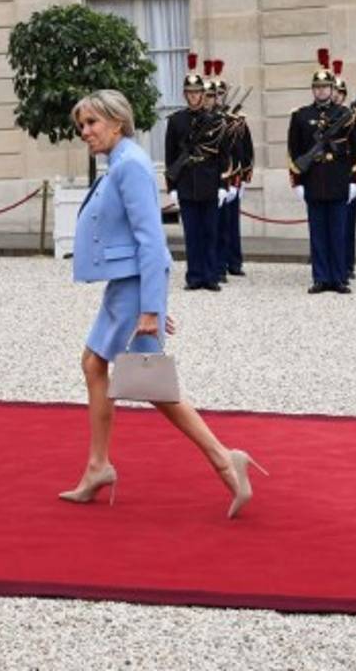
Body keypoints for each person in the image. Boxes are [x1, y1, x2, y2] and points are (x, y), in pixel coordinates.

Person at [61, 89, 266, 519]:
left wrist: (151, 306)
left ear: (118, 123)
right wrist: (149, 299)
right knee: (97, 365)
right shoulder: (120, 162)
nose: (85, 132)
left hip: (135, 285)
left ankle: (226, 461)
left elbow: (151, 240)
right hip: (128, 285)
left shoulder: (130, 165)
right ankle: (99, 465)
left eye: (92, 123)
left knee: (151, 385)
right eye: (82, 124)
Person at [287, 49, 356, 294]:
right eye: (317, 87)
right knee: (318, 233)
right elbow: (293, 151)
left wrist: (355, 181)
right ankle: (320, 277)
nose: (321, 91)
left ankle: (339, 277)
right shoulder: (301, 116)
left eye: (325, 87)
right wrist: (296, 181)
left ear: (333, 89)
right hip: (314, 179)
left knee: (338, 232)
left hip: (338, 178)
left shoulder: (345, 115)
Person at [164, 54, 226, 292]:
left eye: (197, 92)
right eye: (189, 93)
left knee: (210, 232)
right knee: (192, 234)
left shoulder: (215, 120)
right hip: (187, 183)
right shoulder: (177, 121)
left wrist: (223, 185)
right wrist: (172, 187)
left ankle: (210, 276)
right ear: (185, 95)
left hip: (210, 181)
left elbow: (223, 155)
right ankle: (194, 276)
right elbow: (171, 156)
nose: (193, 96)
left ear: (203, 94)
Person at [213, 60, 251, 280]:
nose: (218, 97)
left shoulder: (236, 121)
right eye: (215, 94)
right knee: (215, 225)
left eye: (221, 93)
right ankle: (217, 264)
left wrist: (244, 178)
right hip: (215, 178)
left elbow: (245, 151)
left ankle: (234, 261)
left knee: (231, 223)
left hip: (233, 178)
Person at [332, 60, 356, 283]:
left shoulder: (352, 117)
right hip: (326, 178)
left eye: (339, 92)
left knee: (347, 224)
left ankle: (346, 264)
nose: (336, 95)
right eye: (333, 91)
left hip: (348, 176)